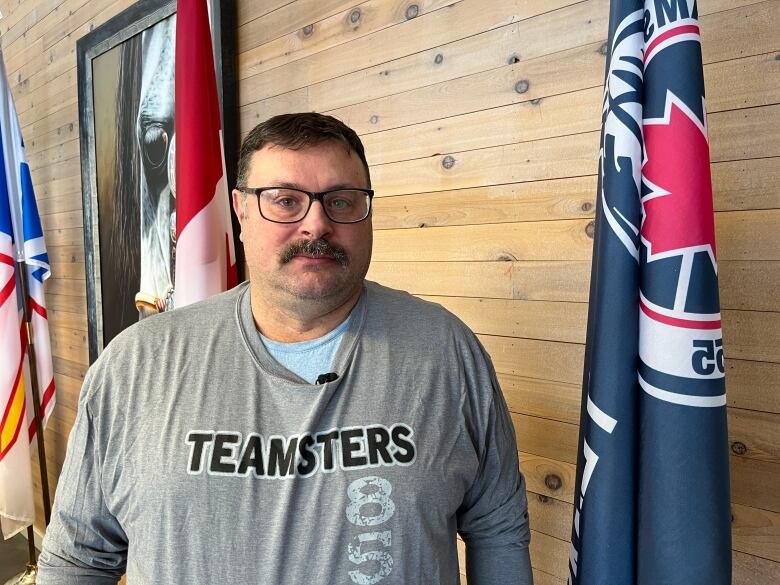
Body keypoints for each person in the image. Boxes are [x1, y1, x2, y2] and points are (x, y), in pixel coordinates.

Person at [38, 113, 533, 584]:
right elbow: (78, 558)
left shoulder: (445, 351)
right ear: (239, 209)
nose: (316, 224)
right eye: (284, 199)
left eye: (341, 200)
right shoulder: (136, 365)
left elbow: (498, 528)